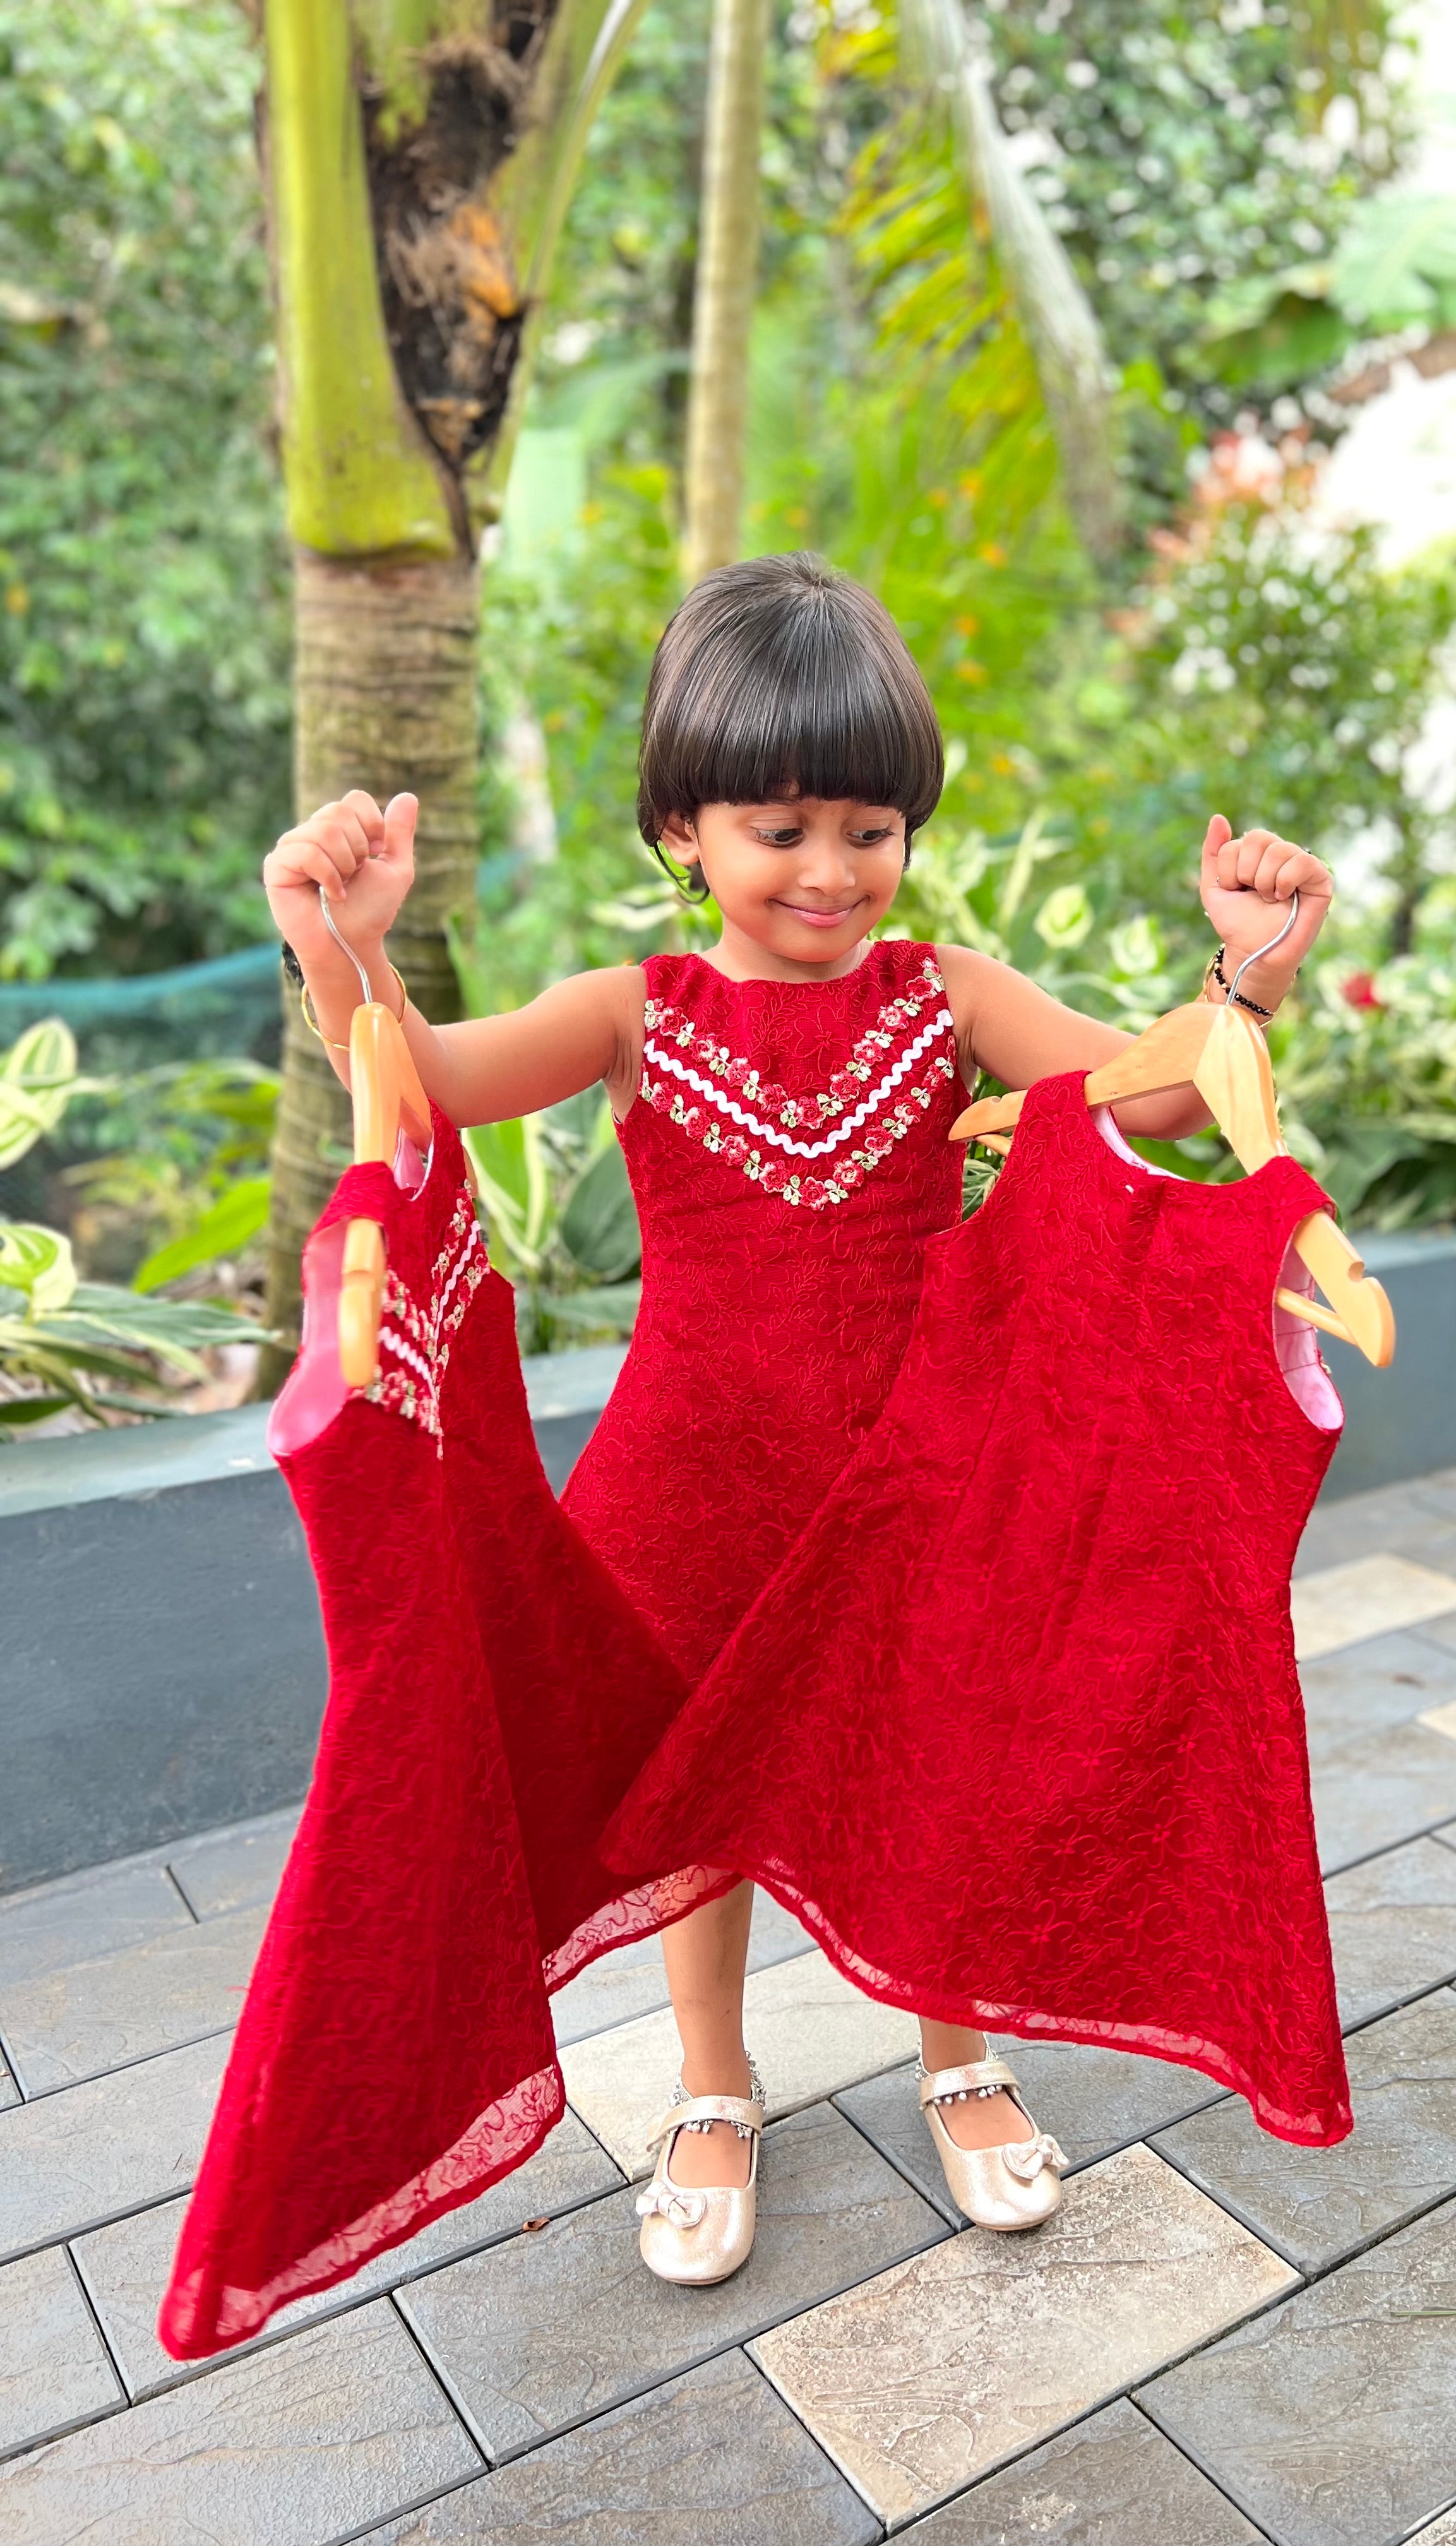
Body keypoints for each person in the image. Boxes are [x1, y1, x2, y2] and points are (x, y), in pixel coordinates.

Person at [265, 550, 1332, 2285]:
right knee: (693, 1789)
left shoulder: (948, 997)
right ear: (684, 828)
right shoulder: (637, 1015)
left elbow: (1156, 1089)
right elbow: (425, 1090)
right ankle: (709, 2081)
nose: (831, 871)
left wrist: (1257, 973)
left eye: (868, 826)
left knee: (947, 1757)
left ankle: (957, 2048)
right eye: (780, 829)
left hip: (918, 1474)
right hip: (684, 1483)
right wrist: (348, 952)